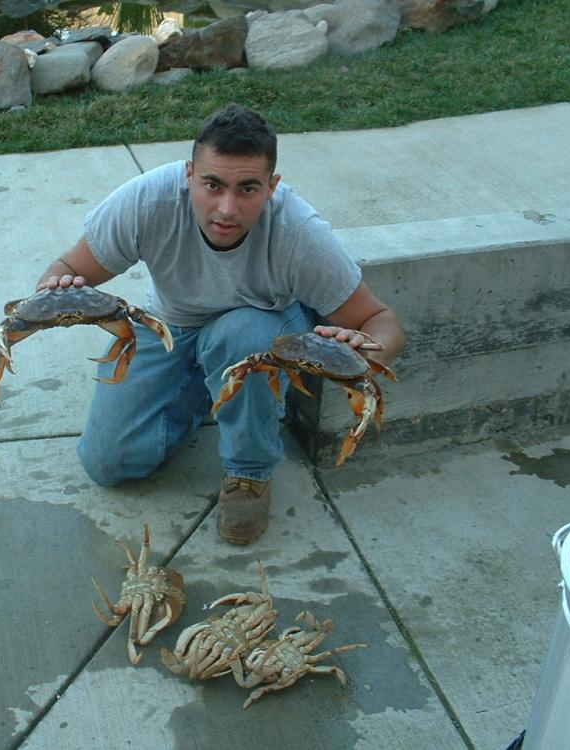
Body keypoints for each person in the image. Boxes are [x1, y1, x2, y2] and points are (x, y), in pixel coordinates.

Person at [36, 104, 405, 545]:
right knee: (108, 463)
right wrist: (55, 292)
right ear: (189, 175)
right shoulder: (146, 201)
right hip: (172, 325)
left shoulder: (300, 233)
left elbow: (382, 323)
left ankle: (249, 473)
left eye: (247, 188)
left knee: (243, 337)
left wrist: (363, 352)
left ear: (272, 188)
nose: (226, 209)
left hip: (258, 324)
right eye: (212, 185)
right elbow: (65, 268)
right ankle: (206, 394)